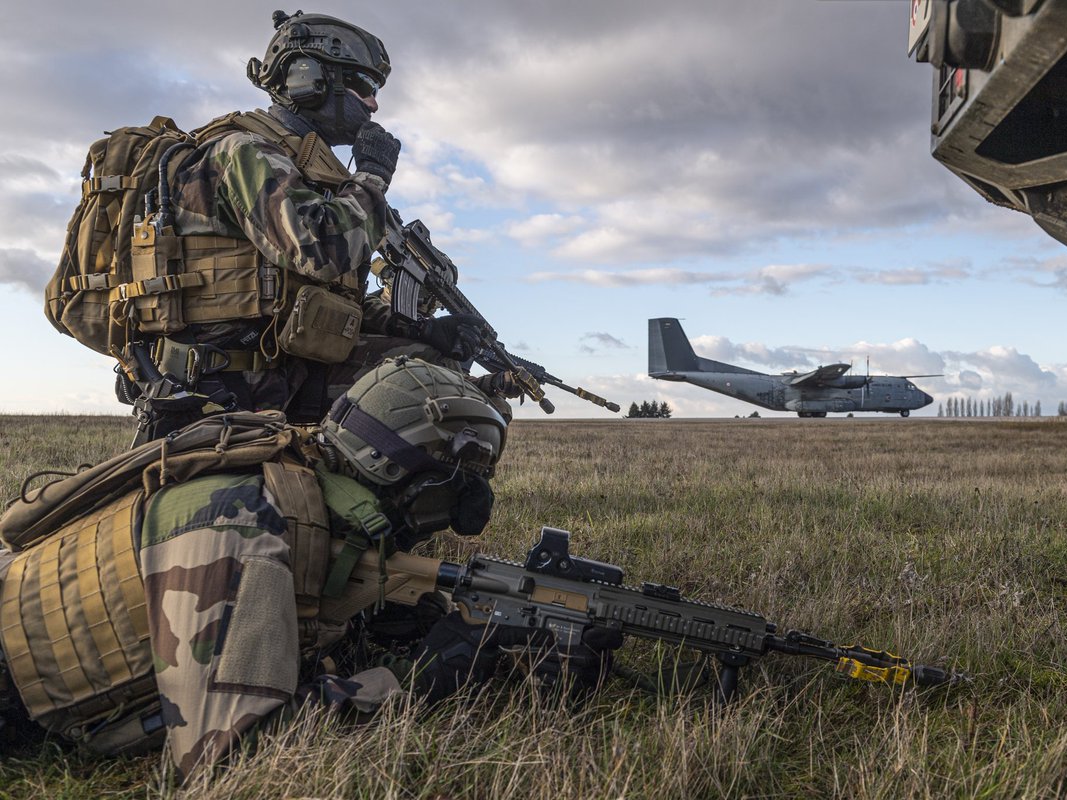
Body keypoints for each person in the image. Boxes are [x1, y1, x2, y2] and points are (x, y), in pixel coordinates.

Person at [0, 358, 616, 781]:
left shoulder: (308, 489)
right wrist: (415, 681)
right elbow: (228, 759)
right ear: (404, 475)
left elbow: (308, 620)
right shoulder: (246, 524)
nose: (450, 519)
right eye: (451, 493)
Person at [119, 10, 513, 440]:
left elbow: (330, 299)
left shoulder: (303, 172)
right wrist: (372, 177)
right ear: (308, 79)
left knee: (449, 388)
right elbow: (320, 249)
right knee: (441, 404)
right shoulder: (244, 152)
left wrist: (423, 329)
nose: (374, 104)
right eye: (364, 86)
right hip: (220, 385)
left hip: (286, 368)